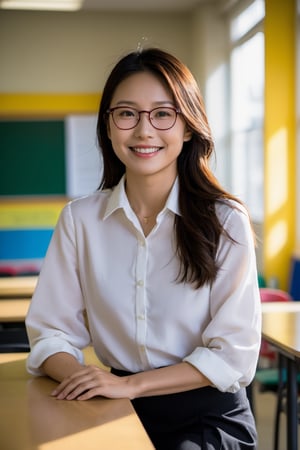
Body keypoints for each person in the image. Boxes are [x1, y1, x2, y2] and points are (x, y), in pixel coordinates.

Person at [25, 47, 261, 450]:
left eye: (163, 113)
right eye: (127, 113)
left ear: (188, 127)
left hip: (206, 415)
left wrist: (129, 385)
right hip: (109, 406)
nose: (144, 130)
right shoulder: (80, 220)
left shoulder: (226, 221)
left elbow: (232, 355)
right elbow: (50, 335)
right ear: (109, 125)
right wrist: (87, 380)